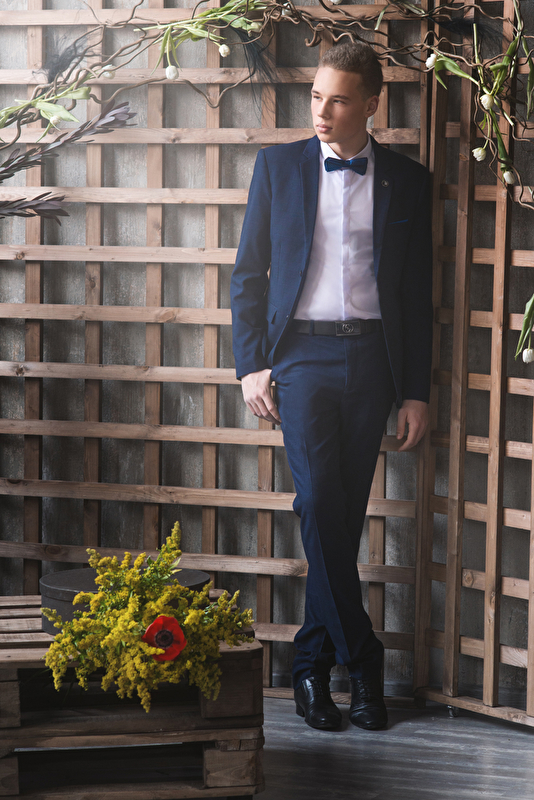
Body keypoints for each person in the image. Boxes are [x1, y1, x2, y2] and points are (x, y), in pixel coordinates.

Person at [230, 40, 432, 732]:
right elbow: (248, 274)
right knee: (318, 503)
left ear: (372, 104)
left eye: (339, 100)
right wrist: (251, 364)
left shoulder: (407, 181)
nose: (322, 111)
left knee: (340, 520)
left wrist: (415, 391)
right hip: (301, 360)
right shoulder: (278, 167)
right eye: (317, 96)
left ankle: (311, 668)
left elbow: (416, 295)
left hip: (374, 360)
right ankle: (364, 663)